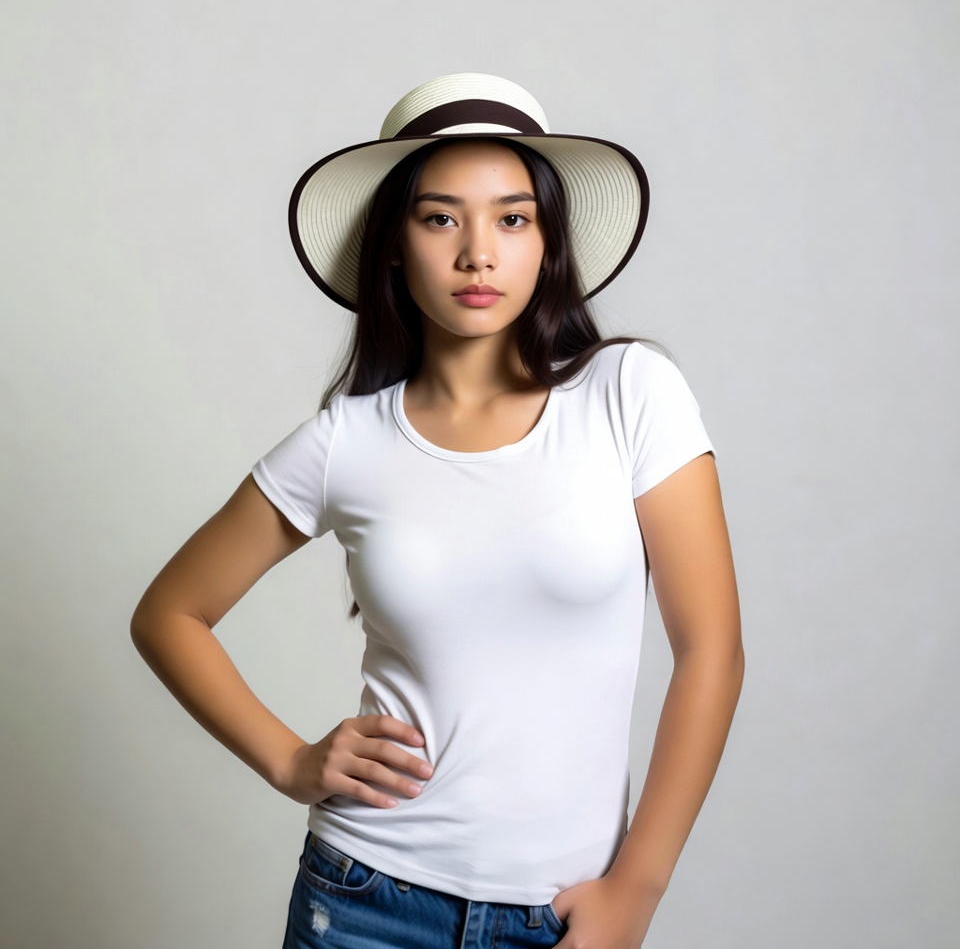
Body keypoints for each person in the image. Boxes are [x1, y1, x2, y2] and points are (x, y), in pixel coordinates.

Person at [131, 73, 744, 949]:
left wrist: (637, 890)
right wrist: (290, 760)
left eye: (513, 219)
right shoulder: (346, 442)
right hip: (362, 902)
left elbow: (712, 650)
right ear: (393, 243)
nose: (478, 254)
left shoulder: (630, 392)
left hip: (562, 912)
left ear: (547, 242)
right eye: (440, 218)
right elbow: (169, 614)